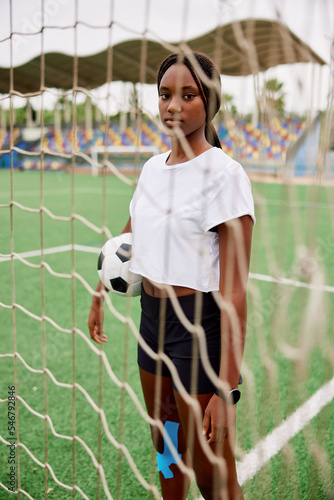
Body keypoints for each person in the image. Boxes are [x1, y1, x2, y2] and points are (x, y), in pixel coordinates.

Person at [88, 51, 255, 500]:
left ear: (210, 102)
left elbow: (235, 290)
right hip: (151, 323)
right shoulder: (150, 169)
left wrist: (227, 388)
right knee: (166, 446)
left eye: (188, 95)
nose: (173, 106)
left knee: (211, 470)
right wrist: (100, 290)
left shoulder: (225, 175)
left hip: (198, 330)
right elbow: (129, 237)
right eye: (164, 95)